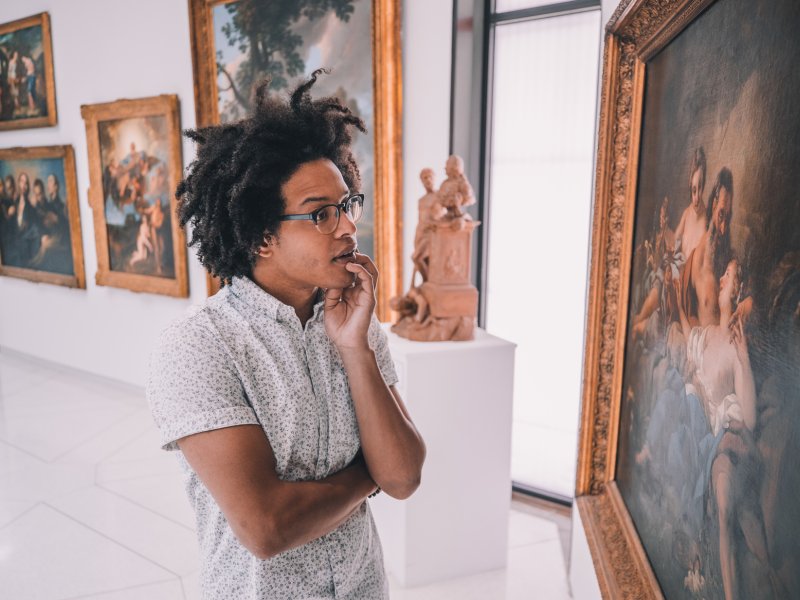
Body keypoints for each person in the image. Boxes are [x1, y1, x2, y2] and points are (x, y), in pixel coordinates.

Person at [146, 71, 426, 599]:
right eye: (321, 214)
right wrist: (369, 474)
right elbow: (267, 527)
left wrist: (355, 349)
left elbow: (405, 476)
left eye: (347, 206)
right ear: (262, 236)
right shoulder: (198, 346)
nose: (348, 227)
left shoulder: (357, 324)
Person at [680, 167, 734, 327]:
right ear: (714, 204)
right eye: (722, 214)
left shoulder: (729, 261)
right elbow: (687, 313)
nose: (723, 228)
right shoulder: (693, 262)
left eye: (728, 217)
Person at [674, 147, 708, 262]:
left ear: (704, 186)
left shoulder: (708, 220)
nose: (697, 197)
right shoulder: (686, 214)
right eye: (694, 190)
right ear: (690, 188)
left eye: (700, 188)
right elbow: (674, 242)